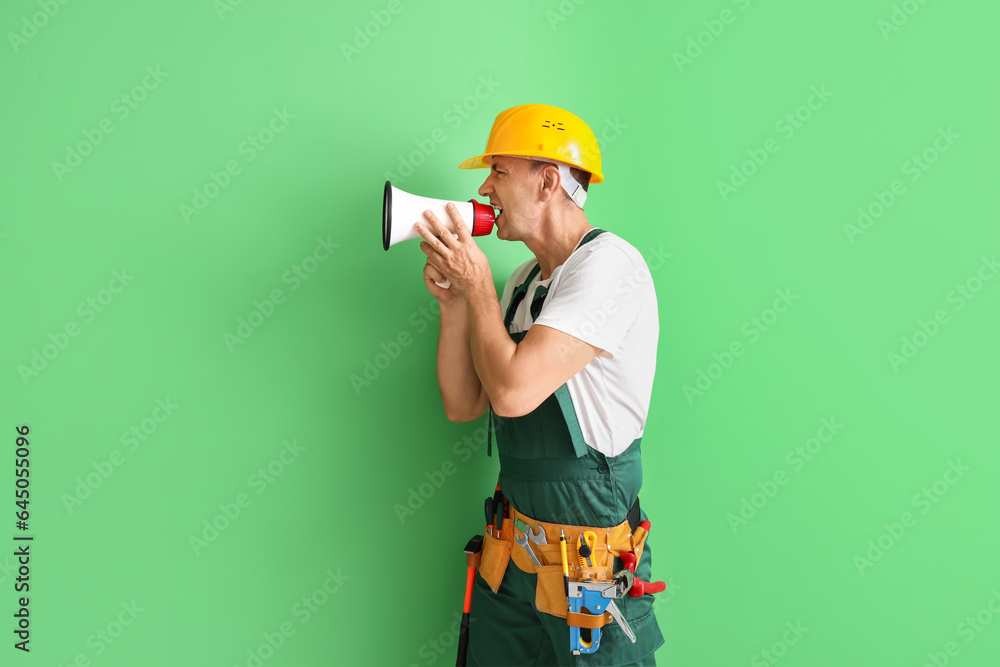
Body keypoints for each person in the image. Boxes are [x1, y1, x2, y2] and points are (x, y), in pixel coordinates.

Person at [414, 104, 664, 666]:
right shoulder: (524, 281)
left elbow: (513, 393)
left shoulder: (609, 268)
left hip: (587, 569)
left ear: (548, 179)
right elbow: (465, 403)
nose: (484, 187)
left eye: (499, 171)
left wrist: (476, 283)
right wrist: (457, 304)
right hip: (512, 559)